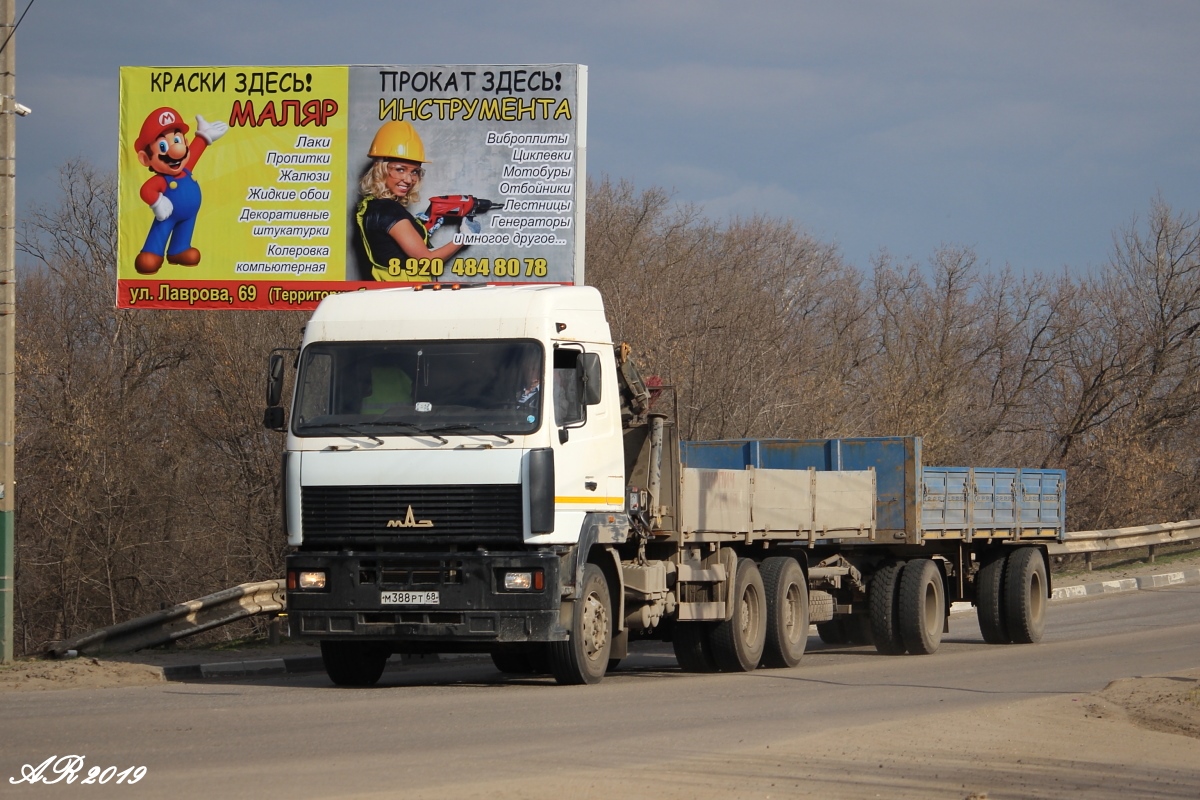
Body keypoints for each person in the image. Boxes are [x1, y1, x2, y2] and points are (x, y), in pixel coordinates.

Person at [354, 121, 472, 281]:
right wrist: (463, 238)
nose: (409, 179)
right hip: (408, 295)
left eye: (415, 171)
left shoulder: (372, 206)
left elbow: (392, 248)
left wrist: (421, 226)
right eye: (400, 169)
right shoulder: (389, 211)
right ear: (379, 168)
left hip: (393, 294)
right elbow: (428, 263)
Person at [133, 106, 228, 275]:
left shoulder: (185, 169)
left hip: (189, 215)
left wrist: (204, 135)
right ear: (146, 158)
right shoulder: (161, 180)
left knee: (185, 231)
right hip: (168, 214)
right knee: (161, 229)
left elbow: (195, 153)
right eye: (163, 145)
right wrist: (157, 202)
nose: (176, 151)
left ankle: (179, 250)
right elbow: (146, 190)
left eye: (177, 140)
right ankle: (152, 253)